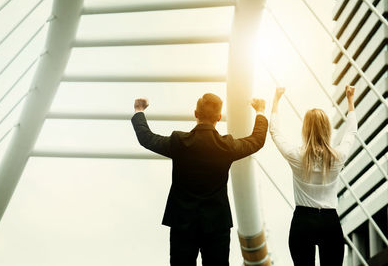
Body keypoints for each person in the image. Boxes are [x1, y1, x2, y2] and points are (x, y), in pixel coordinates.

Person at [131, 93, 268, 266]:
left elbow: (147, 138)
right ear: (219, 117)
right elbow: (257, 140)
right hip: (217, 225)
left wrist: (139, 110)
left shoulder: (180, 142)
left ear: (196, 113)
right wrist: (260, 111)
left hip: (182, 224)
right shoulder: (226, 146)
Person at [269, 85, 357, 266]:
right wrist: (350, 100)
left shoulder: (297, 156)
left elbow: (275, 132)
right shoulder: (337, 157)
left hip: (303, 221)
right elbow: (351, 133)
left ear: (305, 129)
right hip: (329, 222)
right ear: (327, 129)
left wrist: (276, 99)